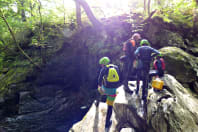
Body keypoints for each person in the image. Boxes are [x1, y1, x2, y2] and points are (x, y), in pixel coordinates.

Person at [97, 57, 120, 131]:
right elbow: (120, 77)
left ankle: (98, 102)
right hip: (113, 90)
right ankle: (107, 124)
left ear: (103, 64)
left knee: (100, 89)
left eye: (101, 64)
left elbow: (100, 79)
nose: (101, 66)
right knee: (110, 107)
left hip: (106, 89)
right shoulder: (116, 67)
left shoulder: (104, 69)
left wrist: (99, 86)